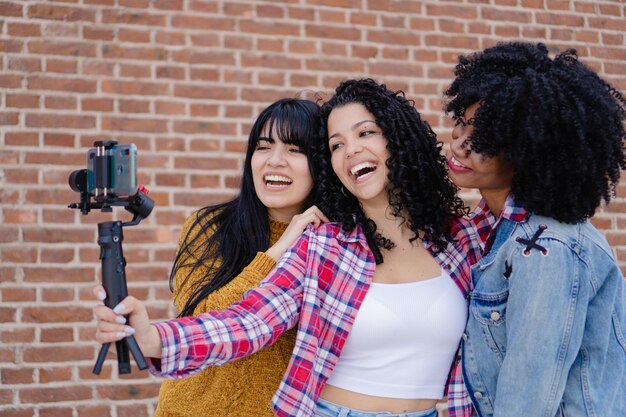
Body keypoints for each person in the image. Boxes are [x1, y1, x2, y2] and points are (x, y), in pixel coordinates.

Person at [94, 79, 494, 417]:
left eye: (365, 133)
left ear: (398, 140)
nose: (351, 149)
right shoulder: (325, 245)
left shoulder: (462, 239)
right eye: (336, 144)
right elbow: (248, 322)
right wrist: (153, 339)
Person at [443, 42, 626, 416]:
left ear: (528, 150)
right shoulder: (491, 231)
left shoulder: (546, 246)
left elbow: (526, 398)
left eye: (484, 137)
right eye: (462, 122)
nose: (460, 145)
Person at [117, 97, 327, 417]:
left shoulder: (330, 245)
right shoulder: (210, 228)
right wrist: (276, 252)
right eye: (263, 146)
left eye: (295, 150)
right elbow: (202, 318)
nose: (274, 161)